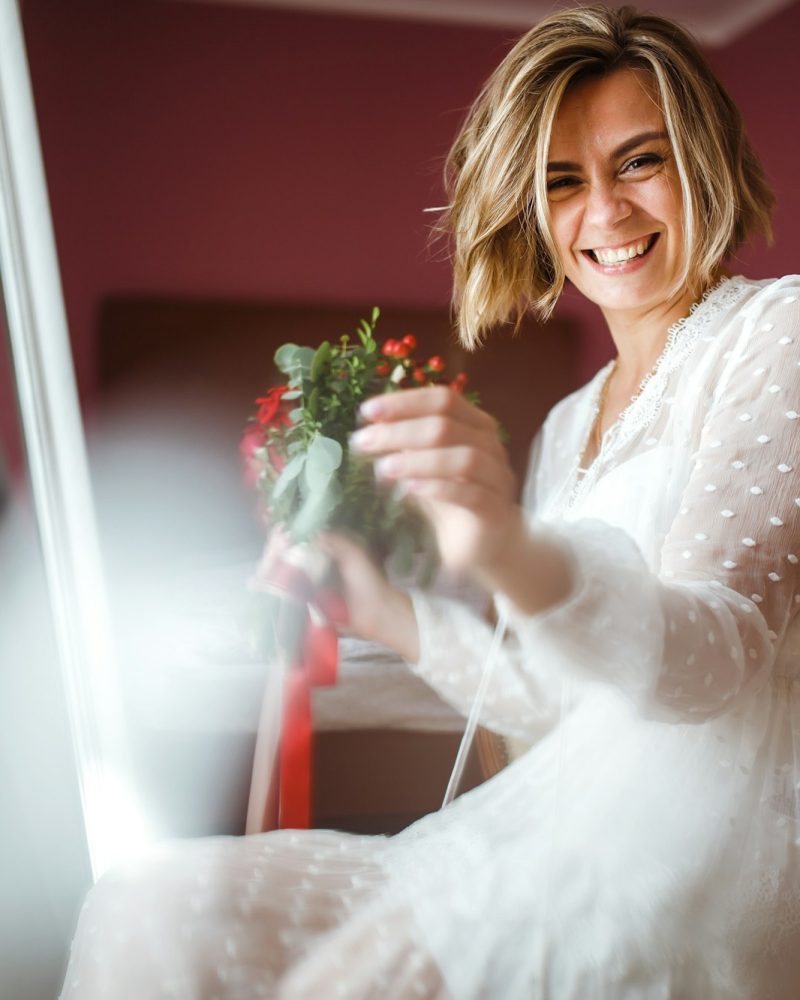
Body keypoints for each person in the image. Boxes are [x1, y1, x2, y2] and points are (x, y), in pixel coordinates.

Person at [60, 5, 799, 998]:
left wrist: (509, 551)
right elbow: (553, 703)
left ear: (701, 157)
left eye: (637, 162)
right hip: (540, 831)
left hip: (676, 871)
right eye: (561, 181)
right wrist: (385, 612)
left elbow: (712, 657)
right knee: (145, 899)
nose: (606, 215)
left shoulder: (774, 335)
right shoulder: (571, 420)